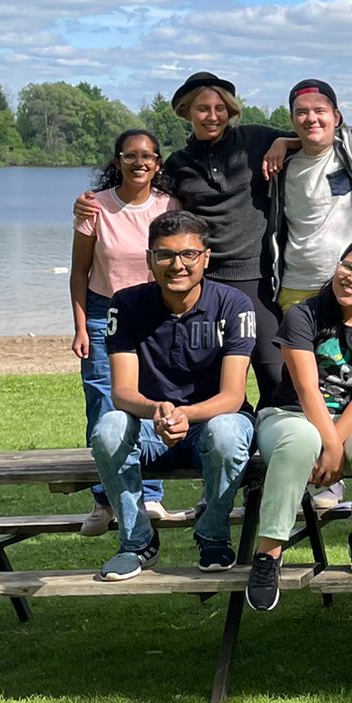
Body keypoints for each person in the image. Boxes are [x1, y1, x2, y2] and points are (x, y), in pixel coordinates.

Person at [76, 71, 289, 402]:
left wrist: (284, 143)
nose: (212, 116)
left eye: (220, 108)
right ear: (187, 112)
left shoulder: (257, 140)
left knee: (273, 372)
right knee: (206, 377)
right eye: (202, 108)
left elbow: (316, 137)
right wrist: (92, 203)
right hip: (200, 278)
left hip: (254, 277)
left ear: (231, 110)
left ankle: (272, 432)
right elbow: (142, 194)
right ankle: (215, 432)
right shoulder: (179, 163)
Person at [89, 212, 256, 581]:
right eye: (165, 255)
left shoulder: (234, 304)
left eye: (188, 254)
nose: (177, 265)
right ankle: (136, 542)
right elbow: (122, 393)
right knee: (109, 426)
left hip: (212, 425)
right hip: (153, 426)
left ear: (206, 258)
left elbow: (232, 396)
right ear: (150, 259)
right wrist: (158, 410)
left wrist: (185, 415)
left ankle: (213, 534)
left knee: (228, 431)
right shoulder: (126, 304)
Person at [244, 238, 352, 610]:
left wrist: (335, 442)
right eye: (347, 266)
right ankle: (268, 554)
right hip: (289, 415)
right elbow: (306, 389)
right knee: (301, 440)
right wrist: (331, 446)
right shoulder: (303, 314)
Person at [69, 128, 176, 536]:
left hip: (153, 313)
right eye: (130, 155)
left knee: (150, 400)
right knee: (102, 404)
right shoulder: (94, 206)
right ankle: (105, 499)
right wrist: (80, 326)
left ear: (158, 163)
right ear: (117, 161)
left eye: (147, 156)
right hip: (103, 312)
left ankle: (149, 493)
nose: (139, 163)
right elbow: (79, 271)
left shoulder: (169, 206)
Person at [263, 78, 352, 313]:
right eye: (302, 112)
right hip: (297, 287)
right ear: (292, 119)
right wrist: (283, 141)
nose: (311, 118)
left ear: (336, 117)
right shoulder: (279, 165)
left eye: (320, 111)